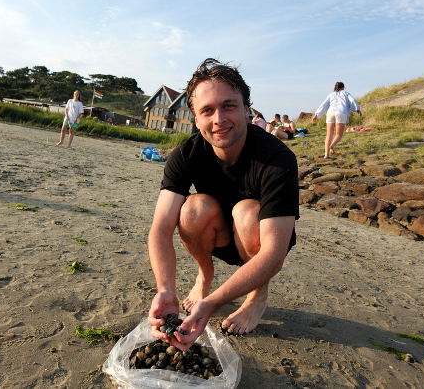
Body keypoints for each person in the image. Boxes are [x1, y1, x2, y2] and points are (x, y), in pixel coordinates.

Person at [147, 58, 299, 352]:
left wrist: (214, 303)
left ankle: (257, 296)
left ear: (246, 110)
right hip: (218, 234)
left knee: (246, 212)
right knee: (192, 208)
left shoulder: (277, 158)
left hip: (258, 236)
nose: (219, 119)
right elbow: (161, 228)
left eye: (228, 106)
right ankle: (205, 275)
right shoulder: (186, 154)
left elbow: (274, 253)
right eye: (207, 110)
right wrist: (165, 289)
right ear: (195, 119)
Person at [312, 82, 362, 158]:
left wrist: (316, 115)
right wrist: (357, 109)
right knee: (339, 134)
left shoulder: (331, 95)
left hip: (330, 112)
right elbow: (353, 100)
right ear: (343, 87)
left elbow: (324, 104)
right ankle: (332, 145)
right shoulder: (346, 93)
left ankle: (326, 155)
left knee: (329, 135)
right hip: (341, 112)